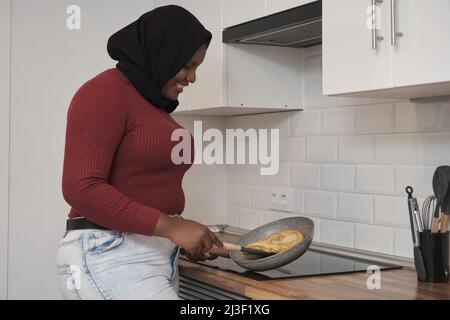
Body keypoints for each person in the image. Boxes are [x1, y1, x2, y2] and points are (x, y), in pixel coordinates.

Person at [56, 5, 222, 300]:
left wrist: (177, 235)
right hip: (109, 252)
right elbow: (81, 187)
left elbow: (142, 187)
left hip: (152, 253)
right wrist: (171, 227)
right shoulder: (105, 92)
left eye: (196, 67)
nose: (192, 78)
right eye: (187, 65)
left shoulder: (154, 106)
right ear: (163, 52)